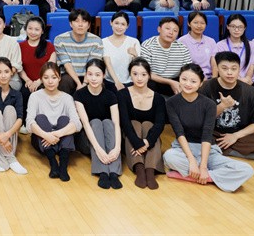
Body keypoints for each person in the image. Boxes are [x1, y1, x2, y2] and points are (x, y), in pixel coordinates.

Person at [162, 63, 254, 193]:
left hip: (207, 150)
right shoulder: (171, 102)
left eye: (193, 81)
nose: (188, 84)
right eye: (184, 79)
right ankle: (209, 176)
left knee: (246, 169)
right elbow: (179, 132)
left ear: (200, 83)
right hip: (183, 149)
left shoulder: (209, 104)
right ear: (179, 79)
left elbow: (207, 135)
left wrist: (203, 166)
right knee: (169, 156)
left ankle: (198, 176)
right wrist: (192, 161)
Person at [200, 52, 254, 161]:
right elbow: (200, 118)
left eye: (234, 68)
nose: (229, 72)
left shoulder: (250, 91)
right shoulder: (206, 87)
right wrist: (222, 106)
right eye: (224, 68)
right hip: (214, 132)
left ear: (239, 69)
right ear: (217, 68)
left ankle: (221, 150)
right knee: (195, 134)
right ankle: (236, 152)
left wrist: (235, 136)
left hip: (240, 134)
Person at [117, 58, 166, 189]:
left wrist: (147, 142)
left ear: (149, 75)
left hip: (150, 139)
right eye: (135, 74)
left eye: (143, 74)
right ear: (130, 75)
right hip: (129, 137)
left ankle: (150, 170)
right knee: (134, 123)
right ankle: (139, 168)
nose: (139, 78)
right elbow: (125, 123)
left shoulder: (158, 98)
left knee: (148, 125)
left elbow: (160, 124)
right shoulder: (122, 94)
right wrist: (138, 143)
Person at [26, 63, 80, 181]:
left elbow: (77, 124)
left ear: (59, 78)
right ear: (41, 79)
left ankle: (63, 166)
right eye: (46, 78)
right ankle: (53, 164)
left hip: (61, 139)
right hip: (42, 139)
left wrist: (56, 134)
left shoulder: (67, 98)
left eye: (54, 77)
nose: (50, 81)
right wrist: (46, 135)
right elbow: (29, 123)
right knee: (40, 118)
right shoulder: (35, 96)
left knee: (65, 120)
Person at [74, 59, 123, 189]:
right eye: (90, 74)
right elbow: (85, 124)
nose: (93, 78)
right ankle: (102, 172)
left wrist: (117, 147)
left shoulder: (111, 95)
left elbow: (116, 123)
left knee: (108, 122)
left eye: (97, 75)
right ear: (86, 75)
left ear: (103, 75)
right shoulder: (79, 95)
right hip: (88, 141)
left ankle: (113, 172)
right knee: (95, 122)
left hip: (108, 140)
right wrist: (98, 149)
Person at [53, 8, 104, 94]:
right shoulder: (60, 39)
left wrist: (85, 83)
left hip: (89, 74)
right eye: (76, 21)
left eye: (84, 21)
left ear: (88, 25)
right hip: (69, 74)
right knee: (65, 81)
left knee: (98, 82)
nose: (80, 24)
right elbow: (67, 64)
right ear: (70, 24)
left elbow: (92, 64)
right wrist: (79, 84)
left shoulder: (96, 41)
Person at [140, 17, 192, 96]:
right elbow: (145, 72)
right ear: (159, 29)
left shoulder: (182, 48)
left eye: (175, 30)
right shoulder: (147, 46)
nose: (171, 32)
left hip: (176, 79)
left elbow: (188, 70)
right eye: (167, 28)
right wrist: (170, 82)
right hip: (154, 80)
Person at [19, 17, 57, 106]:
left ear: (42, 31)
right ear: (26, 29)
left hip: (45, 81)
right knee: (24, 94)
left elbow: (51, 68)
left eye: (37, 29)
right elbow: (19, 67)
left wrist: (39, 81)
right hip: (27, 82)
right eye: (30, 28)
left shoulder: (49, 46)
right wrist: (28, 80)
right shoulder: (20, 46)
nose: (33, 32)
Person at [215, 13, 254, 84]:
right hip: (227, 80)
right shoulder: (220, 45)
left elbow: (252, 67)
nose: (236, 30)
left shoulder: (253, 45)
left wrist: (247, 78)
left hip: (247, 81)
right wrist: (239, 80)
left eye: (240, 27)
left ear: (244, 28)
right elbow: (221, 68)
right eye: (233, 26)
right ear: (227, 27)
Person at [101, 11, 140, 91]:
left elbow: (138, 66)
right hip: (110, 82)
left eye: (123, 24)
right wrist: (117, 82)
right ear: (111, 23)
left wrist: (135, 56)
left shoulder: (134, 42)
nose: (119, 27)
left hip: (130, 82)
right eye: (116, 23)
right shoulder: (103, 42)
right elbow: (108, 63)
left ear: (127, 26)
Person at [178, 11, 219, 78]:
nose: (199, 26)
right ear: (189, 23)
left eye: (202, 23)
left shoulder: (211, 41)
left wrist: (213, 80)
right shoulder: (182, 41)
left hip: (209, 78)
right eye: (195, 22)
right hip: (190, 78)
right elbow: (182, 66)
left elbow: (214, 65)